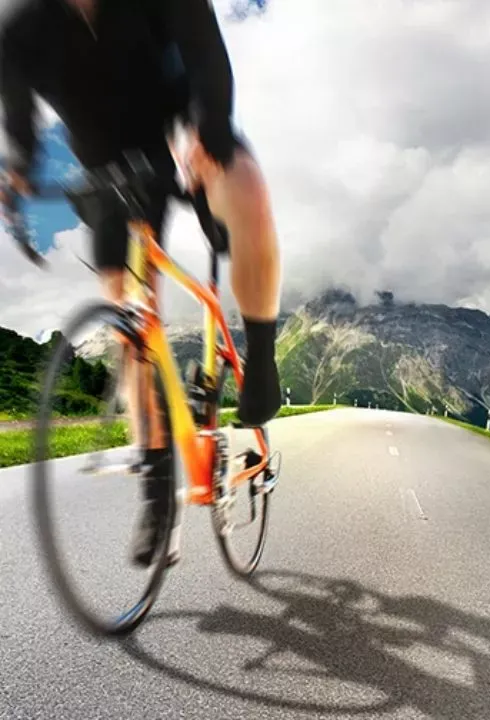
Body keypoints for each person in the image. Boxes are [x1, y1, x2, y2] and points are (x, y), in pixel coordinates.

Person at [0, 0, 283, 566]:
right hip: (109, 172)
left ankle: (263, 358)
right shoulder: (22, 27)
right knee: (129, 320)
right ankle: (158, 493)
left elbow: (207, 59)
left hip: (183, 135)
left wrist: (211, 129)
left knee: (244, 183)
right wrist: (19, 175)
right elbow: (21, 122)